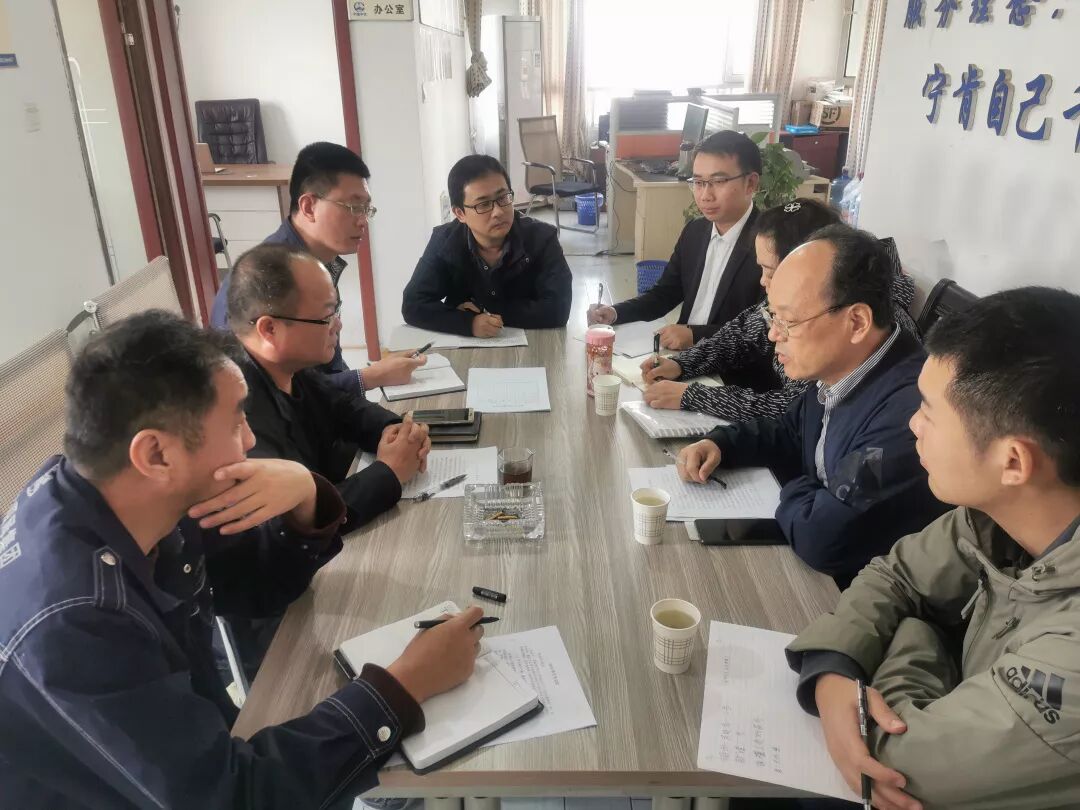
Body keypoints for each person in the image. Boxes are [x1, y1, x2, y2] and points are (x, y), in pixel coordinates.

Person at [0, 311, 486, 808]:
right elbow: (232, 796)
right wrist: (405, 685)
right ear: (157, 455)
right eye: (236, 422)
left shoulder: (130, 496)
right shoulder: (76, 622)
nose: (251, 440)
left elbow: (254, 591)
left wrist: (307, 495)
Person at [786, 288, 1080, 810]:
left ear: (1013, 462)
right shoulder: (994, 517)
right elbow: (894, 575)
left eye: (928, 411)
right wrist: (834, 665)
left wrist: (919, 630)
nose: (912, 425)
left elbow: (897, 764)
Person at [678, 224, 946, 588]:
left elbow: (825, 538)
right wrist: (722, 443)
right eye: (773, 317)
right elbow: (791, 430)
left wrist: (798, 486)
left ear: (856, 322)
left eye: (788, 321)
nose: (773, 334)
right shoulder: (846, 365)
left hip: (852, 593)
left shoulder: (909, 415)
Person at [640, 199, 919, 422]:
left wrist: (694, 396)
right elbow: (741, 335)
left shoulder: (846, 329)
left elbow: (796, 410)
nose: (763, 281)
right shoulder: (800, 302)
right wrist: (682, 363)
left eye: (771, 271)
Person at [227, 243, 430, 533]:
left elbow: (343, 406)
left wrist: (394, 430)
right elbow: (297, 521)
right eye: (326, 317)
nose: (338, 325)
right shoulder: (236, 413)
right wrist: (390, 472)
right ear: (270, 329)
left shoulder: (287, 365)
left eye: (336, 311)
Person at [210, 141, 424, 396]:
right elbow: (281, 397)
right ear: (309, 207)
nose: (363, 221)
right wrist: (370, 377)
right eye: (354, 207)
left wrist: (365, 384)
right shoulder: (268, 280)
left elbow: (330, 367)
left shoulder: (317, 262)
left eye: (366, 209)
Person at [587, 130, 764, 350]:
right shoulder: (695, 231)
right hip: (680, 356)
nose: (705, 195)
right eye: (698, 182)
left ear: (751, 183)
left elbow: (764, 331)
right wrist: (615, 312)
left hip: (730, 364)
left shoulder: (771, 246)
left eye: (718, 181)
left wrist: (696, 336)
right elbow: (665, 294)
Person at [401, 154, 573, 337]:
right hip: (469, 348)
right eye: (483, 205)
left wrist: (483, 310)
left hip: (535, 342)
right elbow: (413, 304)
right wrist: (468, 324)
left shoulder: (542, 239)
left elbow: (558, 310)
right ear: (460, 213)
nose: (498, 212)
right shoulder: (444, 241)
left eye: (503, 197)